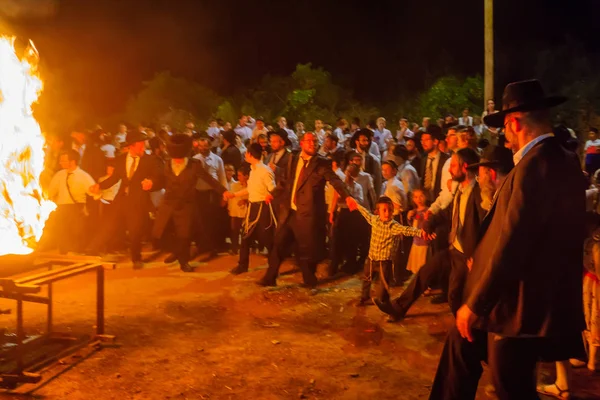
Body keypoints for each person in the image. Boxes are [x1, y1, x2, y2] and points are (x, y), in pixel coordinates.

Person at [455, 80, 586, 400]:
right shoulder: (563, 158)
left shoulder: (533, 166)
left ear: (514, 122)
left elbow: (513, 242)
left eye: (505, 129)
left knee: (510, 388)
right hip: (536, 304)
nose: (505, 139)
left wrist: (476, 303)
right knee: (506, 381)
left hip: (518, 307)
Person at [258, 132, 357, 288]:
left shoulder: (322, 163)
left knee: (306, 250)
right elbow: (285, 181)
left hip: (307, 214)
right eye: (309, 141)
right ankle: (270, 277)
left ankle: (310, 281)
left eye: (315, 141)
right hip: (290, 212)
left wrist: (348, 196)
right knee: (278, 244)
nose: (313, 144)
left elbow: (335, 180)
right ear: (302, 143)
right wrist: (273, 193)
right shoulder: (293, 158)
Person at [152, 134, 229, 272]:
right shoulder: (167, 163)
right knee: (161, 232)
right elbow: (161, 181)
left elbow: (208, 178)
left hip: (186, 204)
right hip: (169, 204)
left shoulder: (194, 164)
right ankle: (177, 251)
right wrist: (151, 184)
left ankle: (184, 261)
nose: (176, 159)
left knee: (184, 235)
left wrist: (223, 191)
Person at [87, 131, 162, 269]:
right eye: (140, 146)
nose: (143, 149)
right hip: (121, 199)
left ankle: (136, 259)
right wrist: (99, 186)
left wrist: (151, 182)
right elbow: (115, 178)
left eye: (143, 145)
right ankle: (91, 251)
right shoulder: (121, 159)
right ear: (131, 147)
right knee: (109, 225)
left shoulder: (149, 160)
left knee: (135, 231)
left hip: (138, 201)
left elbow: (157, 177)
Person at [356, 196, 425, 307]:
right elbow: (365, 213)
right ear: (378, 212)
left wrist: (420, 232)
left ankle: (384, 302)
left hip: (384, 262)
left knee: (384, 284)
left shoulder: (393, 226)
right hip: (371, 258)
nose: (387, 213)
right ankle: (364, 298)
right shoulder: (374, 220)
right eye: (384, 210)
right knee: (367, 279)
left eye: (390, 210)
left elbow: (406, 230)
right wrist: (355, 204)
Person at [227, 143, 277, 275]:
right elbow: (250, 189)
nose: (245, 155)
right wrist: (234, 195)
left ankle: (274, 268)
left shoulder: (265, 170)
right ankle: (243, 265)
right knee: (245, 237)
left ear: (250, 154)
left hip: (263, 208)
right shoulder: (253, 170)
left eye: (246, 153)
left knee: (267, 239)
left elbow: (273, 188)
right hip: (253, 207)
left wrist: (270, 195)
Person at [42, 149, 96, 254]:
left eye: (63, 160)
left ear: (72, 161)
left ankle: (76, 253)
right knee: (62, 231)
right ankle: (64, 254)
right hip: (61, 207)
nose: (60, 162)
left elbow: (93, 192)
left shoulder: (83, 176)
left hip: (77, 207)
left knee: (76, 232)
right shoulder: (59, 175)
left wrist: (95, 193)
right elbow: (51, 192)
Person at [194, 137, 228, 258]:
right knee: (200, 221)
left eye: (205, 146)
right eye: (200, 146)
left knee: (213, 220)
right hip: (199, 194)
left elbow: (222, 177)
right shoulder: (194, 160)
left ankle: (214, 246)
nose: (202, 148)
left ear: (209, 146)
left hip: (213, 193)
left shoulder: (217, 159)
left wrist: (225, 196)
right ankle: (202, 246)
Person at [328, 164, 364, 276]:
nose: (349, 174)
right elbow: (335, 198)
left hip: (352, 215)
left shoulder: (357, 187)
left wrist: (349, 198)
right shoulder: (341, 185)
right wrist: (332, 212)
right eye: (348, 171)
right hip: (342, 213)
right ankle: (334, 266)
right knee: (336, 241)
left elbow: (359, 201)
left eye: (352, 172)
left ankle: (350, 266)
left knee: (351, 241)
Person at [349, 129, 383, 195]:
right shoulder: (348, 156)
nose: (366, 143)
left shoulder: (374, 160)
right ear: (357, 142)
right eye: (363, 140)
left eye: (367, 140)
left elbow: (378, 183)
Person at [406, 189, 430, 274]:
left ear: (425, 197)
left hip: (424, 243)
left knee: (423, 266)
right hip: (416, 243)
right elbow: (412, 226)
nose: (418, 199)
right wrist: (409, 217)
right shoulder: (414, 211)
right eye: (416, 197)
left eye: (421, 196)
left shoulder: (428, 211)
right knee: (416, 268)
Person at [227, 166, 249, 255]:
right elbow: (231, 198)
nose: (238, 177)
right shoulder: (234, 185)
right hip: (235, 212)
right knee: (234, 230)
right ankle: (234, 248)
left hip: (246, 212)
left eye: (240, 175)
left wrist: (245, 201)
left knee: (245, 232)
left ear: (246, 176)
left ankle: (245, 249)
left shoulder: (251, 186)